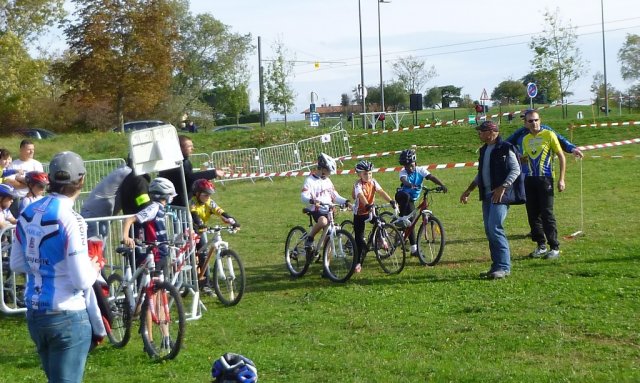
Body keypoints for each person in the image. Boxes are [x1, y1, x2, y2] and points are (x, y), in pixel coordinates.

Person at [10, 151, 101, 383]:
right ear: (82, 180)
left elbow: (17, 263)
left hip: (36, 312)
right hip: (67, 312)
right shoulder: (72, 218)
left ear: (49, 179)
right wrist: (95, 265)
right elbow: (82, 280)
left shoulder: (26, 211)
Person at [460, 121, 525, 279]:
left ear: (491, 132)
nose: (479, 134)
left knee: (495, 227)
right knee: (490, 231)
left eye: (481, 131)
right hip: (487, 195)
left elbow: (516, 169)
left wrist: (503, 187)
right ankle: (496, 266)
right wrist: (469, 190)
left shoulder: (506, 148)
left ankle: (504, 267)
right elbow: (481, 174)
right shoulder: (483, 150)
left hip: (501, 195)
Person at [520, 110, 566, 260]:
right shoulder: (525, 139)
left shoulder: (549, 135)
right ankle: (541, 245)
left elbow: (561, 157)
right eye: (530, 121)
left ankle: (555, 247)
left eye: (536, 120)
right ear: (525, 123)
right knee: (533, 214)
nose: (534, 123)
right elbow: (525, 158)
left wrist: (561, 179)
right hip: (530, 180)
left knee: (547, 213)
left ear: (540, 120)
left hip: (545, 179)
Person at [394, 149, 448, 257]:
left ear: (416, 163)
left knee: (412, 222)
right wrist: (409, 184)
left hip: (412, 200)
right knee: (407, 199)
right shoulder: (403, 172)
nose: (409, 168)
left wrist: (442, 185)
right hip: (402, 196)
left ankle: (413, 248)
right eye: (406, 166)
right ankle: (401, 219)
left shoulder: (420, 170)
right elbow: (404, 180)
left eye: (411, 165)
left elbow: (431, 177)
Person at [189, 179, 239, 293]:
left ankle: (205, 283)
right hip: (189, 229)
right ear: (197, 193)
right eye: (205, 194)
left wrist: (232, 221)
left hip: (201, 229)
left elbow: (220, 211)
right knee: (198, 254)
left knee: (204, 254)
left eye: (209, 195)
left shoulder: (209, 202)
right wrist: (200, 225)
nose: (208, 197)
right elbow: (194, 215)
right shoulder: (192, 202)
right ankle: (199, 281)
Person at [122, 177, 177, 274]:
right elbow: (130, 219)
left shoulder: (161, 208)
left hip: (162, 251)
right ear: (165, 196)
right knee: (154, 286)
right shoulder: (153, 208)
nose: (172, 198)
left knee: (162, 285)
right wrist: (126, 236)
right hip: (154, 252)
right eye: (171, 195)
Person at [351, 160, 395, 273]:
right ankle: (358, 262)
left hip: (370, 210)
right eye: (365, 174)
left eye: (370, 173)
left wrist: (391, 201)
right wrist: (367, 205)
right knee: (359, 239)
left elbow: (381, 191)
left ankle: (380, 239)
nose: (368, 176)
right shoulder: (358, 184)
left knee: (381, 221)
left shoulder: (373, 182)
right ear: (359, 174)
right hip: (360, 213)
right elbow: (360, 195)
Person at [300, 153, 349, 251]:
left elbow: (335, 195)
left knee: (329, 239)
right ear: (322, 169)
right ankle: (310, 238)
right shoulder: (310, 180)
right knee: (323, 221)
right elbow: (303, 196)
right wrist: (312, 201)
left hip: (329, 210)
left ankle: (326, 263)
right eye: (328, 171)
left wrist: (346, 202)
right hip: (317, 211)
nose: (330, 173)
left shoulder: (328, 181)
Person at [158, 135, 224, 208]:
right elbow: (189, 178)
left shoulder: (183, 161)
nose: (192, 148)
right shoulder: (176, 163)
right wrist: (213, 173)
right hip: (178, 203)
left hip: (182, 201)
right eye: (189, 146)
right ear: (180, 148)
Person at [506, 109, 584, 160]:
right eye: (528, 120)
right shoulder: (520, 133)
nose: (533, 123)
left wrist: (572, 149)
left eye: (535, 120)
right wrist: (517, 154)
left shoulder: (546, 130)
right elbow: (506, 144)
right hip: (525, 172)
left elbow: (561, 140)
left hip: (544, 173)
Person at [80, 163, 133, 237]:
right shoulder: (126, 172)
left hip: (97, 214)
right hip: (94, 216)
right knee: (94, 247)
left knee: (99, 246)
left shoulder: (123, 170)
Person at [8, 140, 44, 216]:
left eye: (33, 149)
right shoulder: (13, 165)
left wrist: (19, 179)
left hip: (34, 199)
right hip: (17, 200)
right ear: (21, 150)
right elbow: (11, 182)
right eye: (29, 149)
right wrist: (30, 183)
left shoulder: (37, 164)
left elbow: (40, 183)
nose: (32, 152)